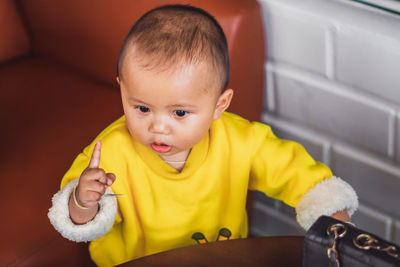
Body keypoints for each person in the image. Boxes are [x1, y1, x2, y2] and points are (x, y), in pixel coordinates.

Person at [48, 4, 358, 267]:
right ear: (123, 90)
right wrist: (82, 200)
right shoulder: (111, 153)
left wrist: (331, 210)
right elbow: (76, 222)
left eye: (179, 113)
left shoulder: (242, 141)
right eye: (142, 108)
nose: (158, 127)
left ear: (218, 105)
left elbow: (295, 173)